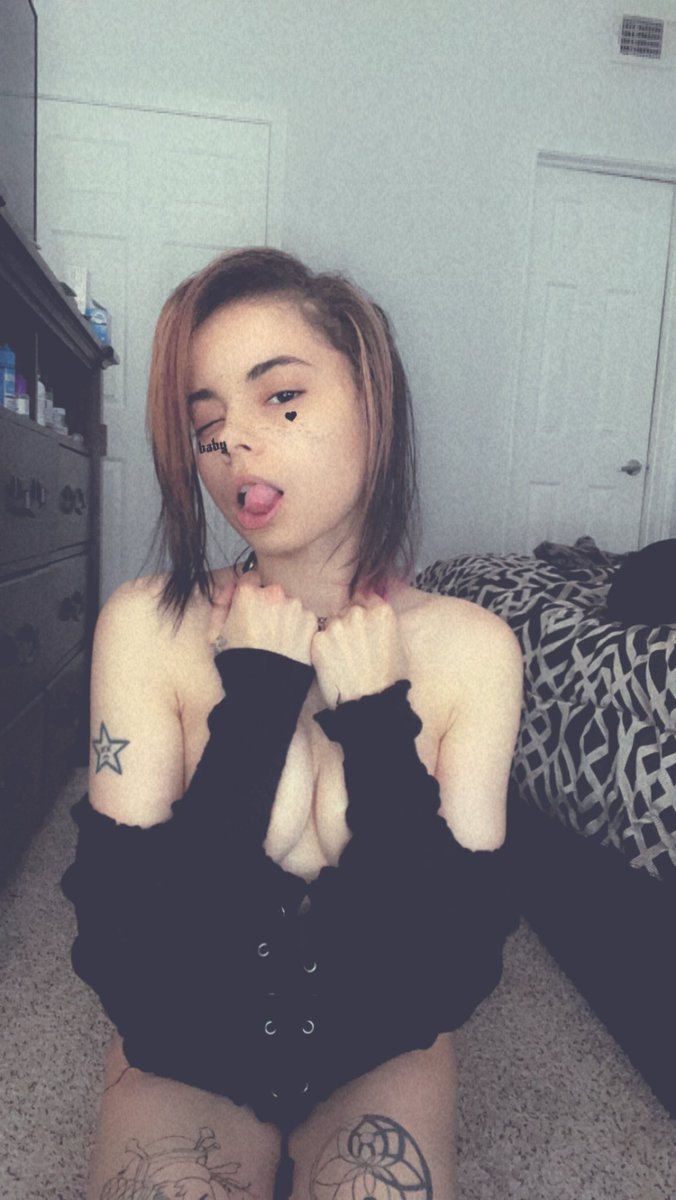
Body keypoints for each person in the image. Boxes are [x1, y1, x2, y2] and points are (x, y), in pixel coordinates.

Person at [60, 247, 524, 1200]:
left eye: (280, 399)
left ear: (372, 403)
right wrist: (258, 705)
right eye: (207, 423)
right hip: (182, 1047)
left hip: (380, 1049)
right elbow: (131, 959)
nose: (233, 441)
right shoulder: (147, 627)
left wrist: (380, 727)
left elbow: (450, 967)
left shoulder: (473, 650)